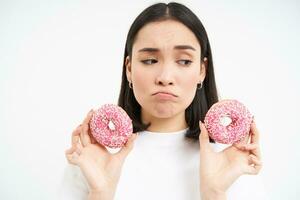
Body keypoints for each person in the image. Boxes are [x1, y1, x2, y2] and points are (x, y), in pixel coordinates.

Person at [58, 2, 268, 200]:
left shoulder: (232, 161)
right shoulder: (92, 159)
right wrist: (100, 193)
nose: (165, 77)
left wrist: (214, 192)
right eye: (149, 60)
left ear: (202, 71)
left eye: (184, 61)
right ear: (129, 68)